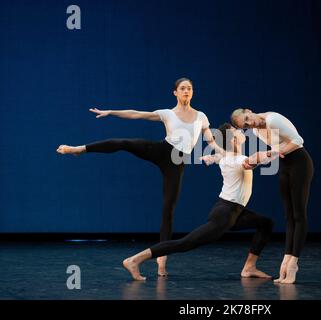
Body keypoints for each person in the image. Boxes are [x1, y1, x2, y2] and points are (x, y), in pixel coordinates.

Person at [56, 78, 223, 276]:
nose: (186, 91)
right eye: (182, 88)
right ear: (175, 93)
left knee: (168, 208)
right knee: (124, 143)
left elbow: (210, 140)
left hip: (177, 162)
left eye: (189, 88)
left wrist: (223, 152)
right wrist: (111, 112)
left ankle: (161, 261)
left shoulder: (201, 116)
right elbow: (136, 114)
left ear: (192, 92)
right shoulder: (167, 113)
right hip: (162, 150)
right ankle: (80, 149)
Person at [122, 123, 277, 281]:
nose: (239, 131)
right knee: (184, 243)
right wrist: (274, 152)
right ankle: (134, 260)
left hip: (234, 211)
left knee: (266, 223)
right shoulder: (237, 159)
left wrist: (211, 157)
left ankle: (249, 267)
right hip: (225, 214)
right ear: (233, 141)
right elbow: (250, 161)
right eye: (235, 131)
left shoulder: (227, 156)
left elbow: (223, 157)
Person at [230, 108, 314, 284]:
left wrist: (267, 154)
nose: (249, 123)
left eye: (247, 118)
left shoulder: (273, 120)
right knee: (289, 216)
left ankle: (293, 264)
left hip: (300, 162)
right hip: (285, 166)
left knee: (299, 215)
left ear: (249, 111)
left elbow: (298, 140)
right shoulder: (255, 131)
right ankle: (286, 260)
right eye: (244, 125)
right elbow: (277, 151)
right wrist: (255, 162)